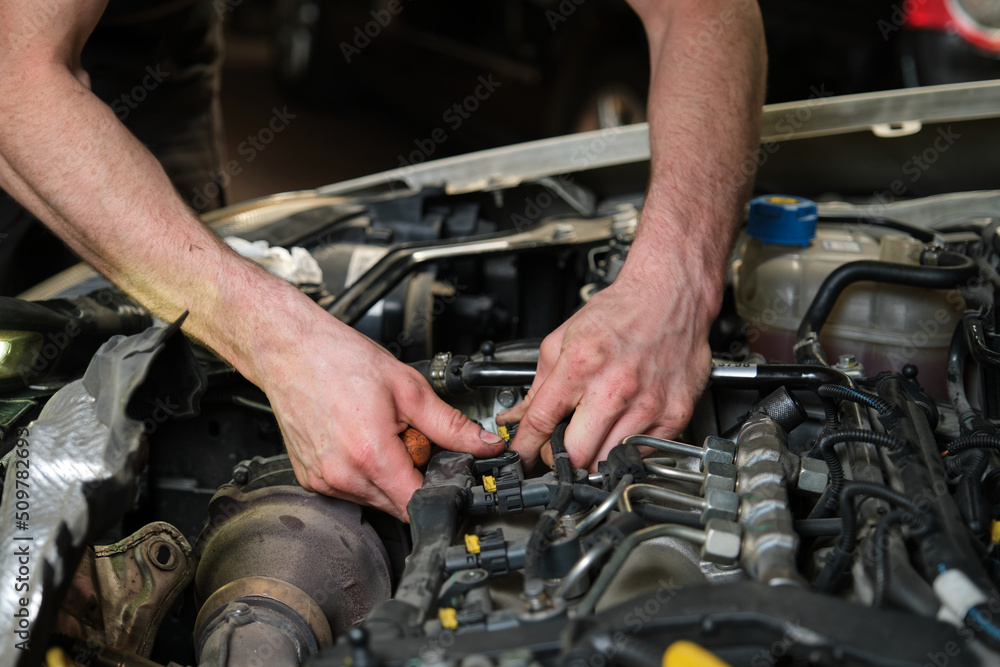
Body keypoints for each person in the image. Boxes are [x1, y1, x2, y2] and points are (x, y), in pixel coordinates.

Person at [0, 0, 766, 521]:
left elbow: (704, 9)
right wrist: (281, 342)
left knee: (181, 345)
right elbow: (17, 78)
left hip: (161, 46)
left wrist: (677, 283)